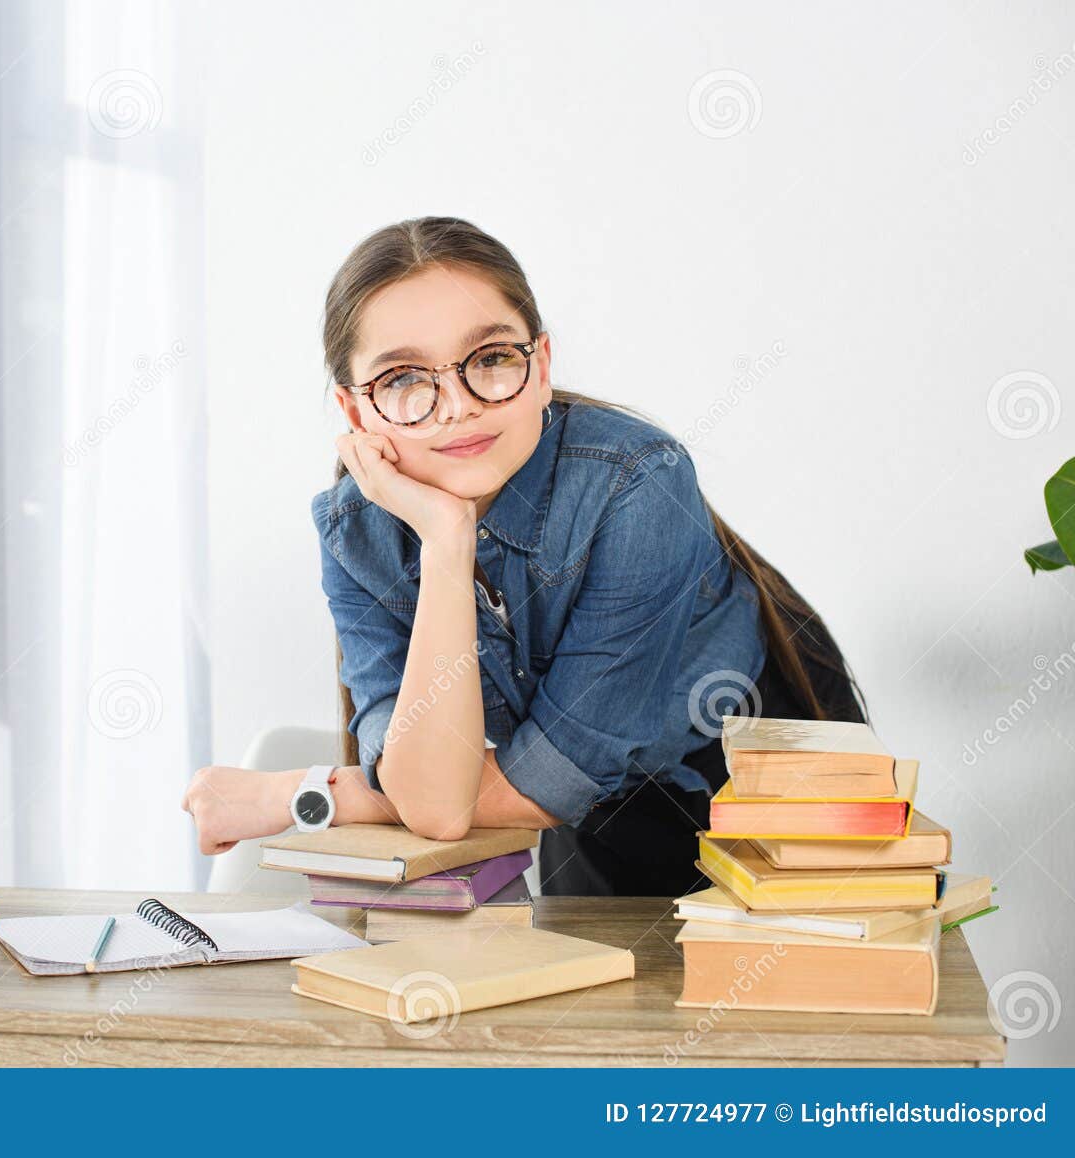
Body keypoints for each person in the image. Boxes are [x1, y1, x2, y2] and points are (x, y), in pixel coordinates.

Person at [183, 216, 863, 895]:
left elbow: (541, 779)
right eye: (401, 379)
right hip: (594, 816)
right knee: (590, 995)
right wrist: (446, 538)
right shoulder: (358, 533)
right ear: (356, 413)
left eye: (490, 360)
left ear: (539, 368)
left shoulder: (638, 481)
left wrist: (306, 794)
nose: (455, 406)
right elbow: (436, 805)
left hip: (771, 795)